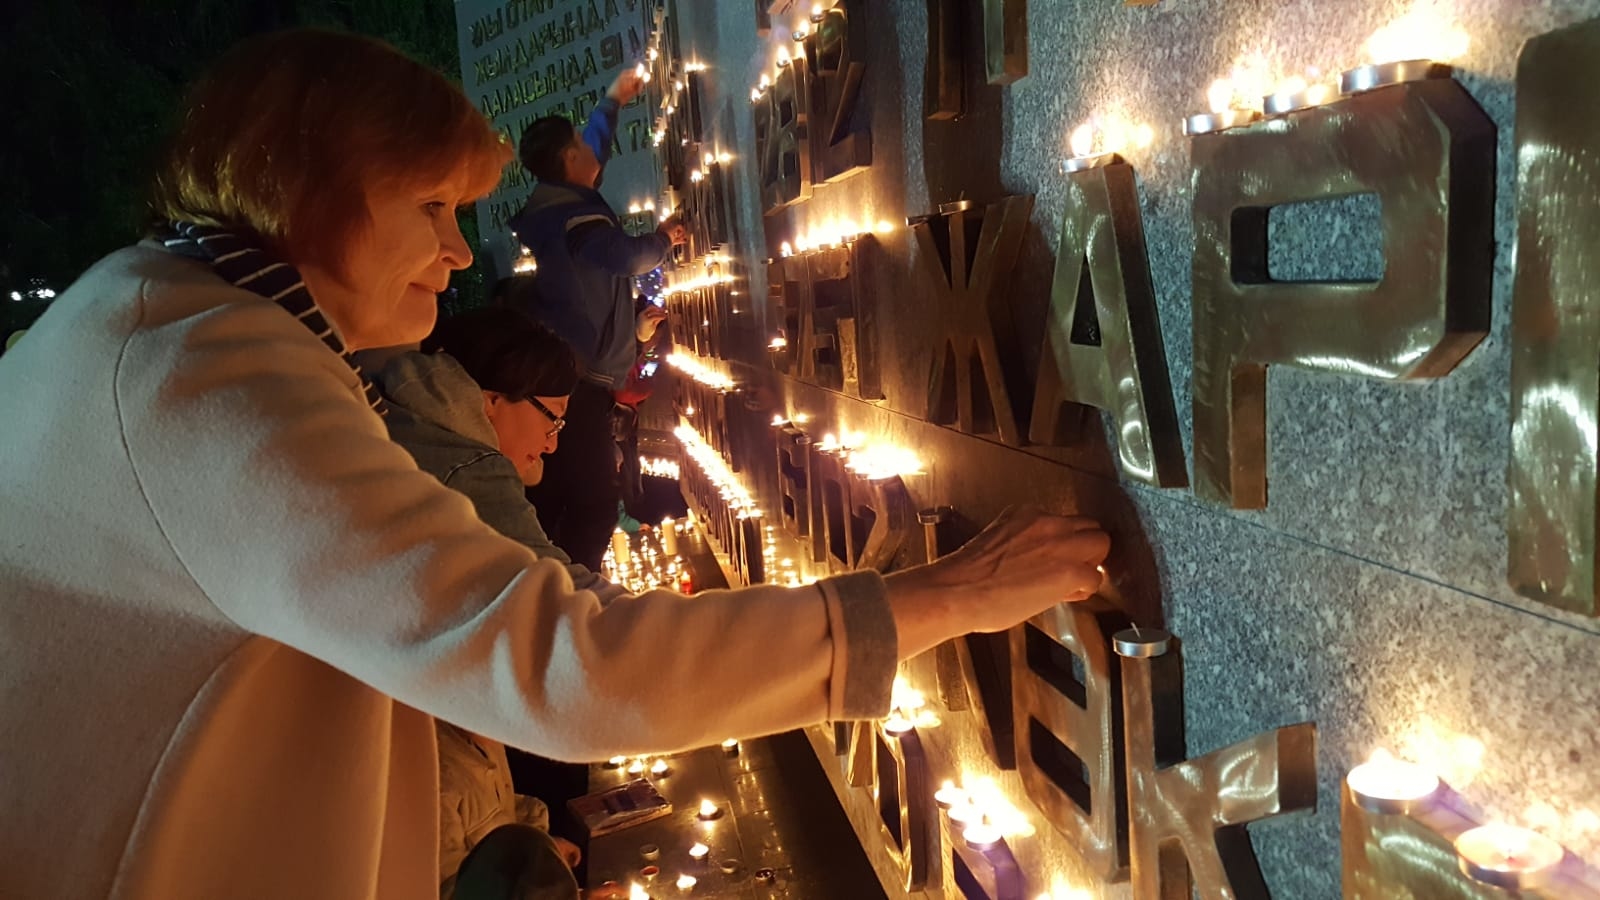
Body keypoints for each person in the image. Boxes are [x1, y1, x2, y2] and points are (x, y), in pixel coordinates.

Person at [0, 29, 1110, 900]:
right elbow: (559, 665)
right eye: (432, 207)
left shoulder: (152, 324)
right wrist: (943, 597)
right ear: (303, 187)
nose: (457, 251)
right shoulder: (204, 370)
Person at [509, 70, 685, 571]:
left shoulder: (561, 202)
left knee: (563, 497)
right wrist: (663, 240)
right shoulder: (573, 218)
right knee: (593, 505)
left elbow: (594, 149)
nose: (594, 151)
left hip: (578, 374)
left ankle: (550, 584)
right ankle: (566, 593)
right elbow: (623, 256)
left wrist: (613, 101)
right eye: (581, 146)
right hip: (581, 380)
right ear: (569, 158)